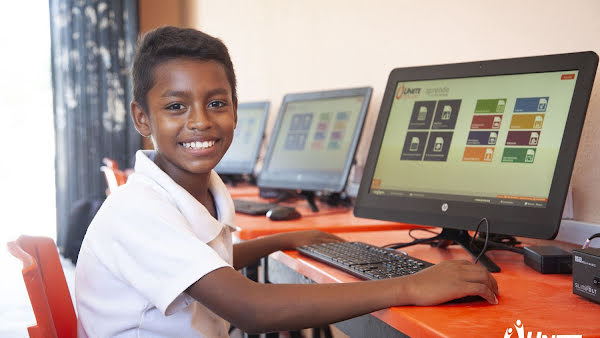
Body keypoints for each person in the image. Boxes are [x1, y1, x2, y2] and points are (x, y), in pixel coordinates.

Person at [75, 26, 499, 337]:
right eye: (176, 106)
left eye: (216, 103)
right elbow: (252, 309)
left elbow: (210, 262)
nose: (200, 120)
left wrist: (281, 241)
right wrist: (408, 285)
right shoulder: (138, 210)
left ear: (235, 110)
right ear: (142, 118)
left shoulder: (196, 192)